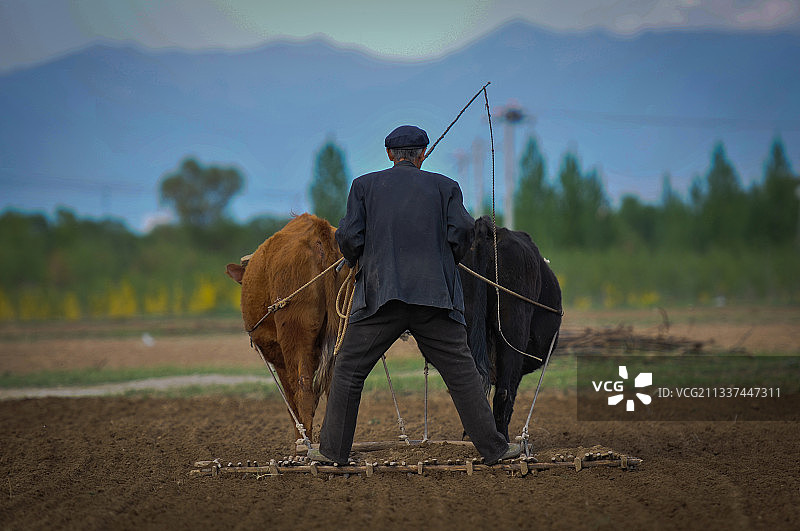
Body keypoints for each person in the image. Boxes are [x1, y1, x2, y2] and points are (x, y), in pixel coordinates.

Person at [310, 125, 520, 465]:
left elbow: (348, 235)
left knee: (349, 370)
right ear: (422, 154)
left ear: (390, 155)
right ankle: (496, 450)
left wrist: (356, 257)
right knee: (462, 372)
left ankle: (332, 454)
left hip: (379, 298)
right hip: (435, 299)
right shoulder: (446, 187)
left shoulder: (363, 187)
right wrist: (445, 259)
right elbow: (463, 231)